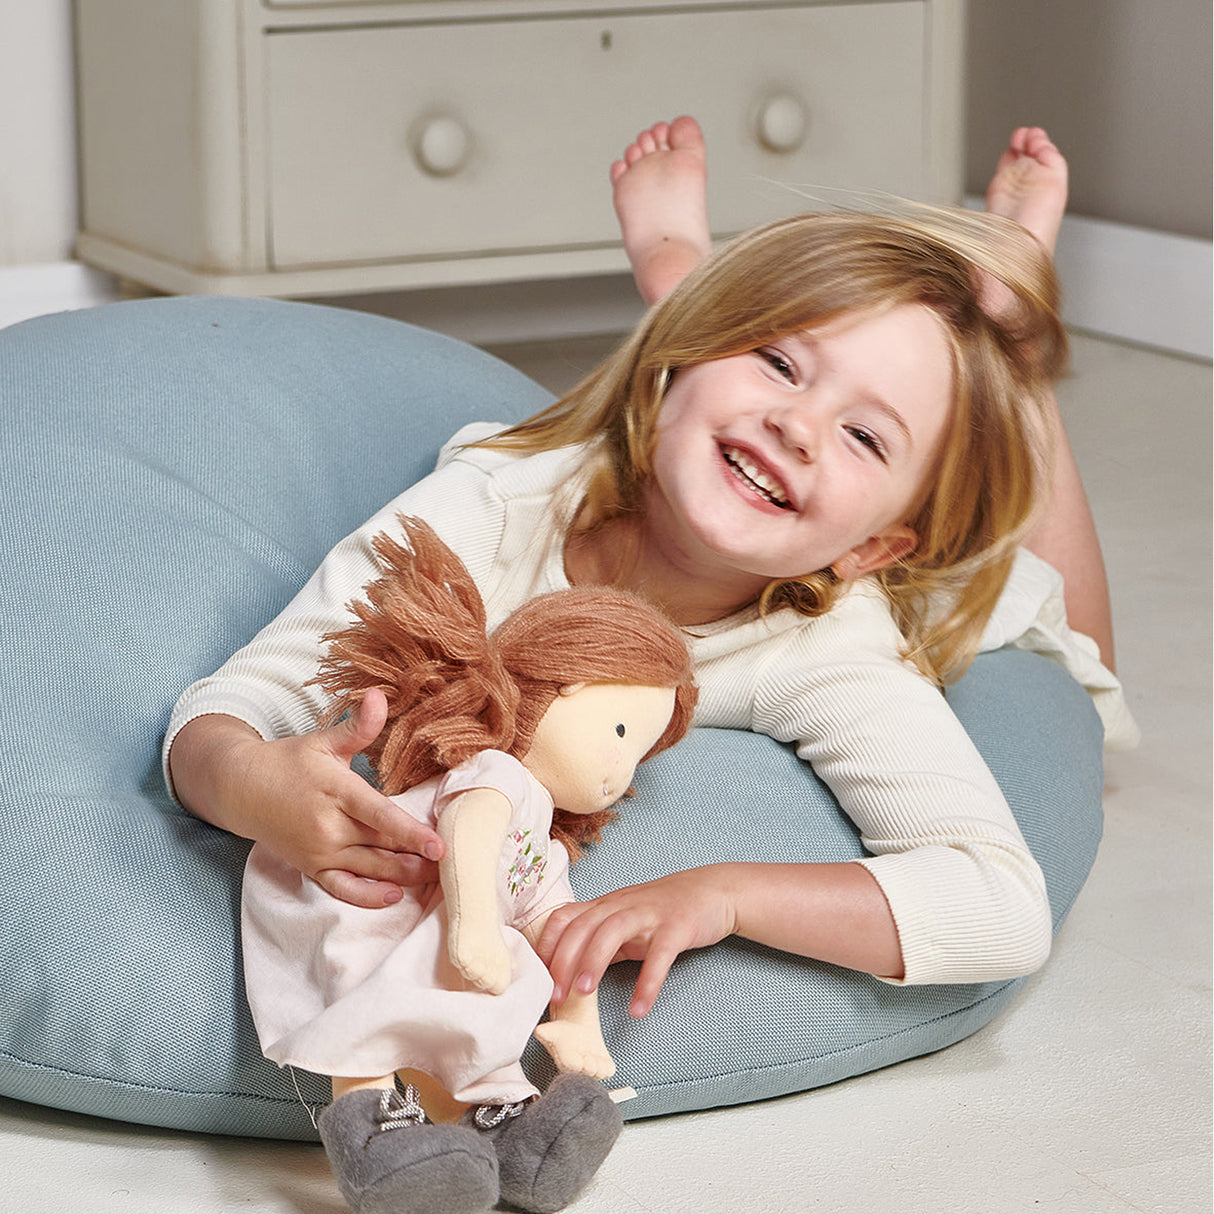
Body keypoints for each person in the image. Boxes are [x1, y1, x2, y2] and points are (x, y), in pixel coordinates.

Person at [165, 116, 1134, 1038]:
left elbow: (1001, 905)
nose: (799, 425)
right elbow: (244, 697)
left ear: (872, 548)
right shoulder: (496, 503)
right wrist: (245, 781)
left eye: (863, 435)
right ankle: (692, 285)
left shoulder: (834, 647)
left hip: (927, 574)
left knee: (1078, 663)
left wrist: (726, 895)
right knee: (739, 402)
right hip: (695, 426)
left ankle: (1014, 333)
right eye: (778, 360)